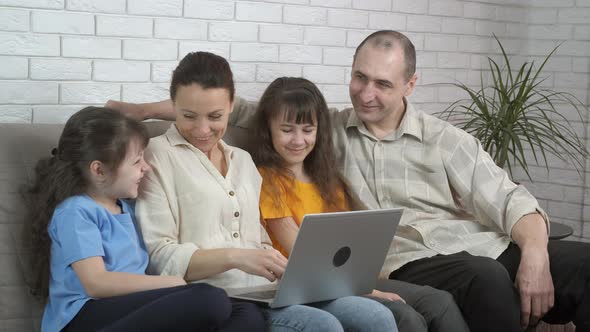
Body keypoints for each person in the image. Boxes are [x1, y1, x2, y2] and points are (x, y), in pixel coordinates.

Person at [107, 30, 590, 331]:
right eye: (360, 78)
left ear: (410, 85)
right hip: (410, 259)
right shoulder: (328, 128)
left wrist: (535, 253)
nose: (367, 92)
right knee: (476, 282)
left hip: (474, 242)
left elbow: (510, 198)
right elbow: (238, 110)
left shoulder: (445, 140)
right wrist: (141, 112)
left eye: (382, 83)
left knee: (581, 263)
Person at [134, 51, 398, 332]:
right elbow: (159, 257)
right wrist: (236, 256)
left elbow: (259, 241)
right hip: (215, 297)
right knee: (323, 326)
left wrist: (290, 270)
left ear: (231, 106)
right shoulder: (156, 155)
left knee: (377, 317)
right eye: (188, 115)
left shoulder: (243, 161)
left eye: (215, 116)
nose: (202, 130)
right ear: (173, 105)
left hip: (268, 290)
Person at [250, 76, 469, 332]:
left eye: (308, 130)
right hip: (307, 287)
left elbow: (348, 241)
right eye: (287, 130)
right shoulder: (267, 179)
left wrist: (365, 282)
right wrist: (368, 291)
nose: (298, 140)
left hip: (343, 279)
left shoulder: (327, 177)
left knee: (439, 301)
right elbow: (304, 257)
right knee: (403, 315)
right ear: (268, 129)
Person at [24, 106, 265, 332]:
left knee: (249, 315)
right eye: (137, 161)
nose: (146, 168)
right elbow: (96, 283)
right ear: (98, 170)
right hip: (84, 316)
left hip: (129, 307)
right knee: (209, 300)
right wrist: (169, 283)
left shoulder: (126, 209)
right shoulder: (75, 212)